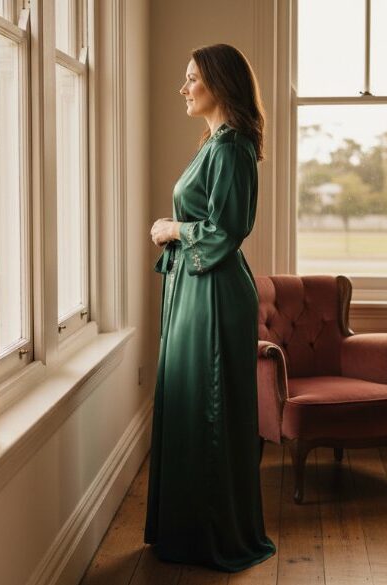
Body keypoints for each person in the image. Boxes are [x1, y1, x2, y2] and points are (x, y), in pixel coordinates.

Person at [145, 43, 276, 572]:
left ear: (219, 84)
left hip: (215, 293)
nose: (184, 87)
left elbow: (227, 229)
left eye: (192, 78)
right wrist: (175, 234)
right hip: (195, 287)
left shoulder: (232, 148)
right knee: (189, 402)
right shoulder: (216, 143)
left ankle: (213, 536)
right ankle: (188, 531)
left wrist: (174, 229)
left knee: (210, 408)